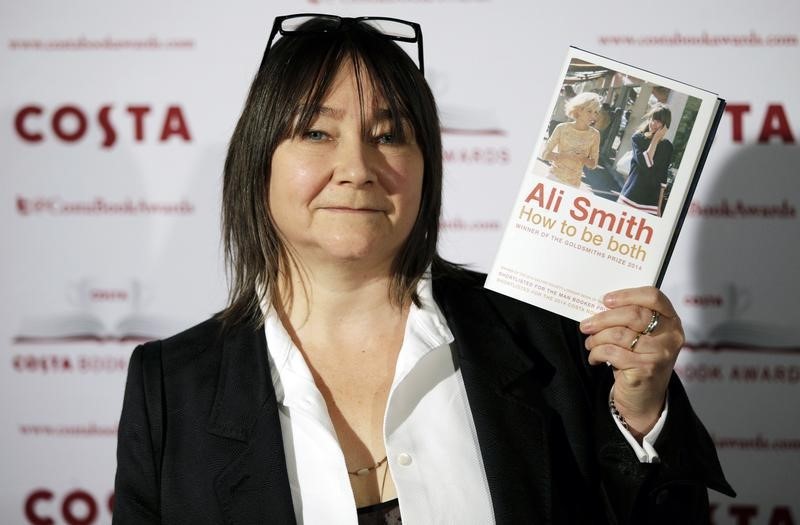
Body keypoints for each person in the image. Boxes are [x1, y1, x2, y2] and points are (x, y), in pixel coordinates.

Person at [113, 14, 733, 525]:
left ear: (426, 167)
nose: (357, 167)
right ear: (259, 162)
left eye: (388, 135)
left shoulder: (552, 338)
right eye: (316, 133)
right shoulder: (171, 388)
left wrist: (644, 412)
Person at [618, 104, 674, 215]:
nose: (653, 124)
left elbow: (663, 177)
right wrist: (656, 138)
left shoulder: (667, 146)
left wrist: (658, 207)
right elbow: (646, 163)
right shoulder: (638, 138)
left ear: (665, 125)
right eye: (653, 119)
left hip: (651, 203)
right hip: (630, 197)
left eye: (658, 121)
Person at [540, 92, 602, 188]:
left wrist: (582, 158)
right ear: (579, 110)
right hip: (553, 178)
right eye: (589, 111)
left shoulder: (595, 135)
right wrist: (565, 156)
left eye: (596, 112)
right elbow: (544, 154)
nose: (593, 116)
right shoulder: (562, 128)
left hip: (573, 184)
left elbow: (593, 164)